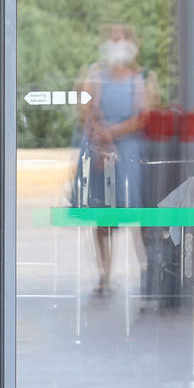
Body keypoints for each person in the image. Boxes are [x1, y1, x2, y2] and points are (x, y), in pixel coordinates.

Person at [73, 24, 157, 294]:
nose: (116, 43)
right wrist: (101, 135)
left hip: (130, 151)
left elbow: (143, 116)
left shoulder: (142, 77)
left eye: (121, 39)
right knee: (103, 216)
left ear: (133, 44)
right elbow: (86, 106)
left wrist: (113, 133)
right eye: (112, 39)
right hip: (99, 149)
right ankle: (105, 275)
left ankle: (146, 273)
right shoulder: (95, 74)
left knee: (138, 213)